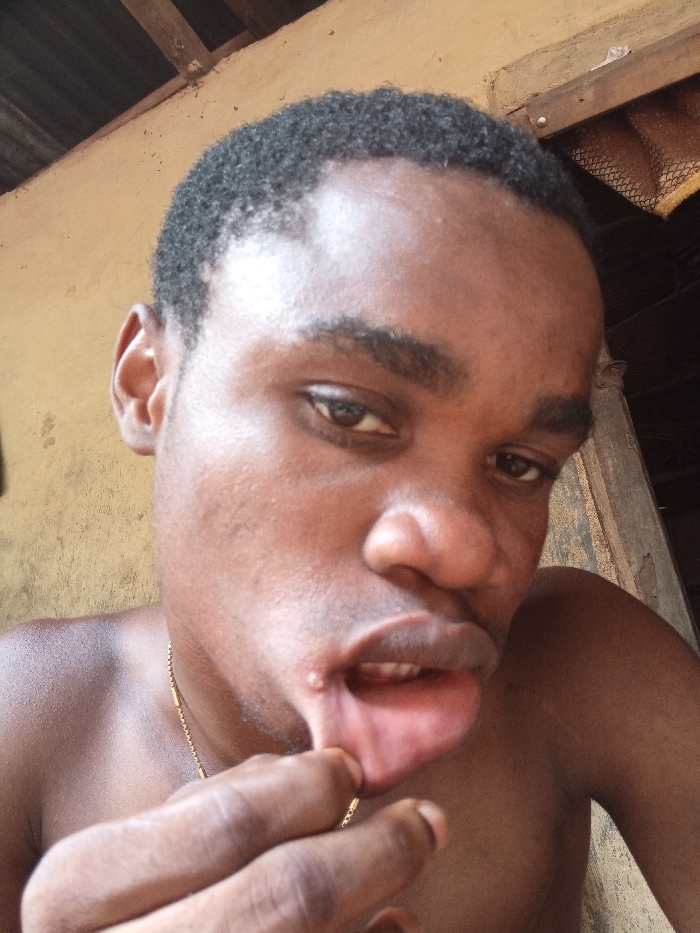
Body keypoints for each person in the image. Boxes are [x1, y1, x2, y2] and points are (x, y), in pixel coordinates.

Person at [2, 89, 699, 933]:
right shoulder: (24, 718)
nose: (465, 548)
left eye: (520, 464)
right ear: (148, 387)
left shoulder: (580, 663)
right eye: (347, 412)